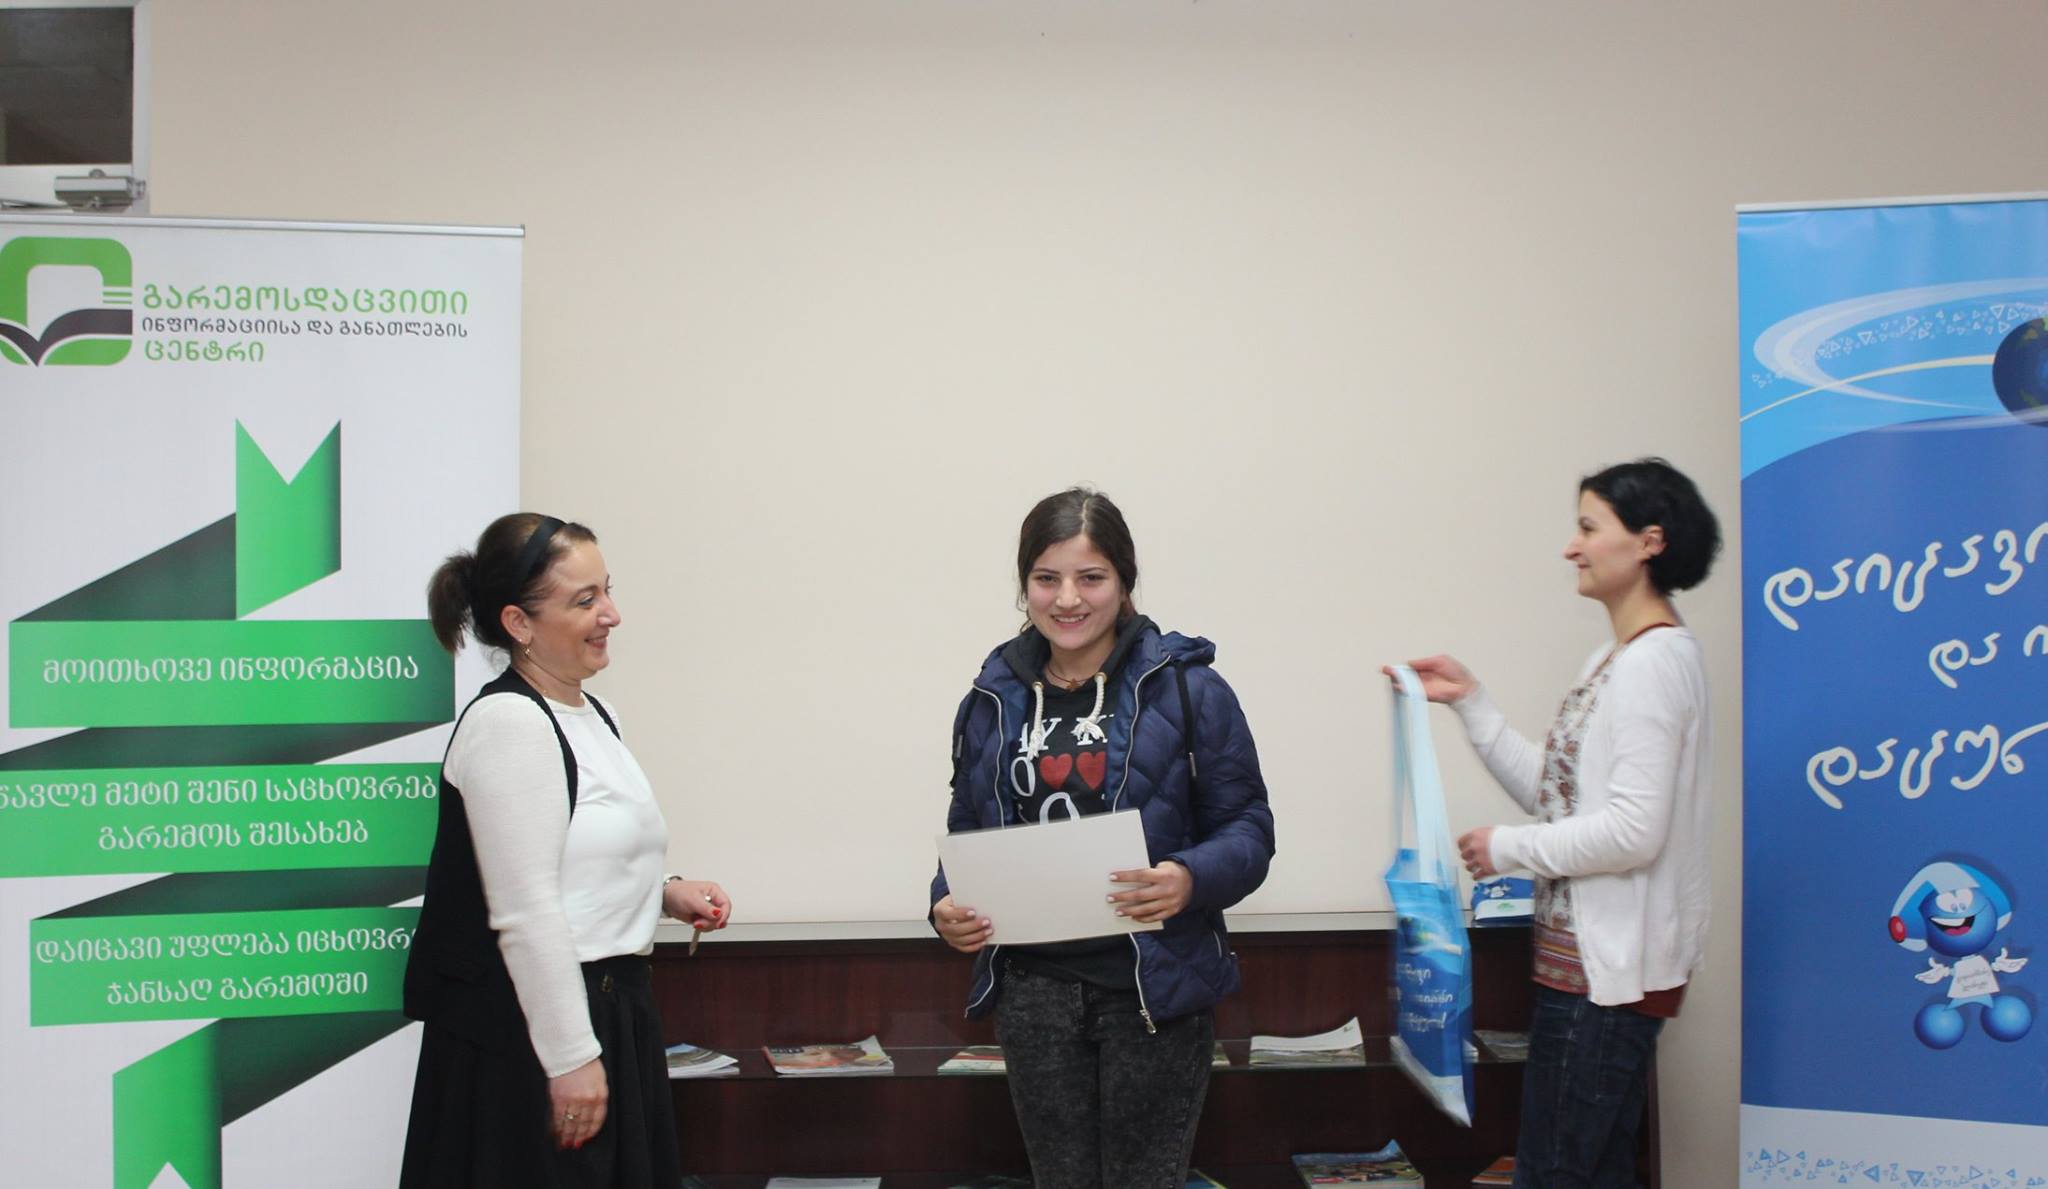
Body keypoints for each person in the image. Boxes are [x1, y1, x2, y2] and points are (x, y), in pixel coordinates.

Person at [929, 487, 1276, 1189]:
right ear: (1024, 584)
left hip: (1151, 990)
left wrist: (1187, 878)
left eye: (1090, 577)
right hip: (1033, 994)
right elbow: (968, 826)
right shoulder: (990, 698)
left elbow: (1249, 827)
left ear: (1124, 582)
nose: (1067, 599)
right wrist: (944, 903)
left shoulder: (1190, 688)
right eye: (1046, 578)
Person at [1395, 458, 1720, 1189]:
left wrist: (1507, 848)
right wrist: (1471, 701)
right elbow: (1559, 794)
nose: (1572, 547)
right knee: (1591, 1171)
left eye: (1588, 528)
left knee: (1554, 1173)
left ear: (1650, 542)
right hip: (1583, 974)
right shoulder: (1614, 657)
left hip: (1608, 982)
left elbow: (1634, 830)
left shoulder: (1654, 663)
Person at [401, 513, 732, 1188]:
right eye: (585, 600)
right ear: (518, 624)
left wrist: (663, 890)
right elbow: (525, 910)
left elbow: (572, 859)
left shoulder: (596, 715)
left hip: (611, 1012)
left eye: (607, 590)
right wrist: (572, 1058)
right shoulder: (509, 724)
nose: (612, 613)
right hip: (536, 1034)